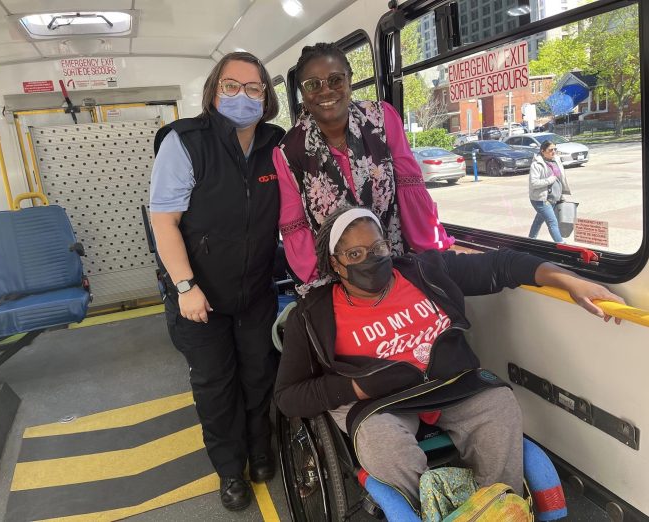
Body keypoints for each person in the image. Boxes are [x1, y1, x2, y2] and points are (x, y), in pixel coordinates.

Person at [275, 206, 624, 509]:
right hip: (380, 404)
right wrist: (357, 387)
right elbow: (289, 397)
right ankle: (433, 509)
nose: (371, 259)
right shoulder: (313, 314)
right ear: (336, 263)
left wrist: (568, 280)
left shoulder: (425, 271)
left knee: (499, 405)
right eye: (355, 255)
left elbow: (501, 265)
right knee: (384, 445)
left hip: (451, 383)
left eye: (378, 247)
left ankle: (495, 507)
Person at [150, 52, 284, 511]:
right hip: (198, 297)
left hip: (255, 291)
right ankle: (230, 471)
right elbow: (164, 222)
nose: (242, 96)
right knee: (215, 385)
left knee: (258, 374)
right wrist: (186, 287)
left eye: (253, 88)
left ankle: (259, 448)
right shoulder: (185, 142)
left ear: (266, 97)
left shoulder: (275, 145)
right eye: (231, 86)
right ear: (213, 91)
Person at [274, 42, 454, 291]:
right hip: (338, 280)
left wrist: (432, 252)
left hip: (393, 264)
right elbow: (295, 225)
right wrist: (322, 285)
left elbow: (410, 188)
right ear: (303, 94)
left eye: (335, 80)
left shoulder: (382, 119)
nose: (326, 91)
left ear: (350, 81)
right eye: (313, 84)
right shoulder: (288, 151)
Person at [528, 140, 571, 243]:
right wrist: (550, 180)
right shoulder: (536, 165)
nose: (553, 152)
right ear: (543, 151)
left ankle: (530, 240)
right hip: (541, 199)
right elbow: (533, 183)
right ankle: (561, 245)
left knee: (538, 221)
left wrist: (561, 195)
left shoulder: (556, 160)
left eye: (555, 149)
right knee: (552, 222)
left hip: (553, 198)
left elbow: (560, 178)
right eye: (550, 150)